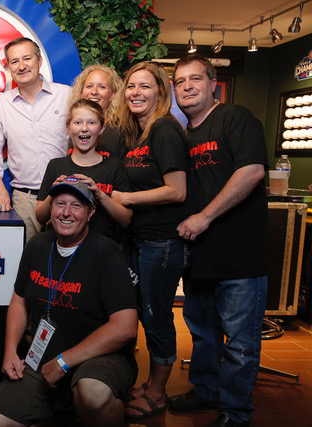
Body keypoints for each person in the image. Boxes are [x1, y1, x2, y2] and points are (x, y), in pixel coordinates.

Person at [0, 177, 138, 427]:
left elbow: (125, 327)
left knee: (92, 393)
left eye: (76, 206)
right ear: (51, 209)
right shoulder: (37, 245)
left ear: (90, 212)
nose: (66, 213)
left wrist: (64, 360)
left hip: (97, 361)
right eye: (59, 204)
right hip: (43, 360)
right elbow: (19, 301)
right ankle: (67, 412)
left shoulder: (107, 253)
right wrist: (11, 351)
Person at [169, 54, 269, 427]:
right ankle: (205, 390)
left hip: (240, 256)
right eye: (180, 81)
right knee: (203, 336)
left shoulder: (236, 118)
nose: (188, 86)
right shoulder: (183, 136)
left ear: (213, 84)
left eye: (196, 79)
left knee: (240, 345)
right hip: (199, 257)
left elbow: (253, 171)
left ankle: (235, 412)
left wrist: (204, 216)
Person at [111, 61, 189, 419]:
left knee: (157, 316)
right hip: (141, 240)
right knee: (145, 313)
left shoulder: (165, 129)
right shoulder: (138, 133)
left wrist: (127, 198)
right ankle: (150, 382)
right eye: (131, 86)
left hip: (163, 241)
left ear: (161, 91)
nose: (136, 93)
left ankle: (157, 393)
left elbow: (177, 191)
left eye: (145, 86)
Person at [0, 37, 71, 242]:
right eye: (14, 61)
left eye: (27, 58)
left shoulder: (66, 96)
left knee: (69, 264)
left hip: (67, 195)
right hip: (25, 201)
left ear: (39, 60)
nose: (22, 66)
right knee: (28, 264)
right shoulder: (3, 104)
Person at [36, 99, 131, 240]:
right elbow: (40, 217)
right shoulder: (56, 165)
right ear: (68, 128)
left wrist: (100, 194)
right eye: (78, 122)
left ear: (101, 128)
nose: (84, 128)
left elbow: (126, 220)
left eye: (91, 122)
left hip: (102, 250)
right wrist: (53, 193)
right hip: (64, 248)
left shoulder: (114, 166)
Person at [69, 64, 125, 160]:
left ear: (112, 95)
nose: (94, 92)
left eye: (102, 87)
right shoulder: (74, 126)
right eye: (89, 86)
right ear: (81, 93)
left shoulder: (121, 130)